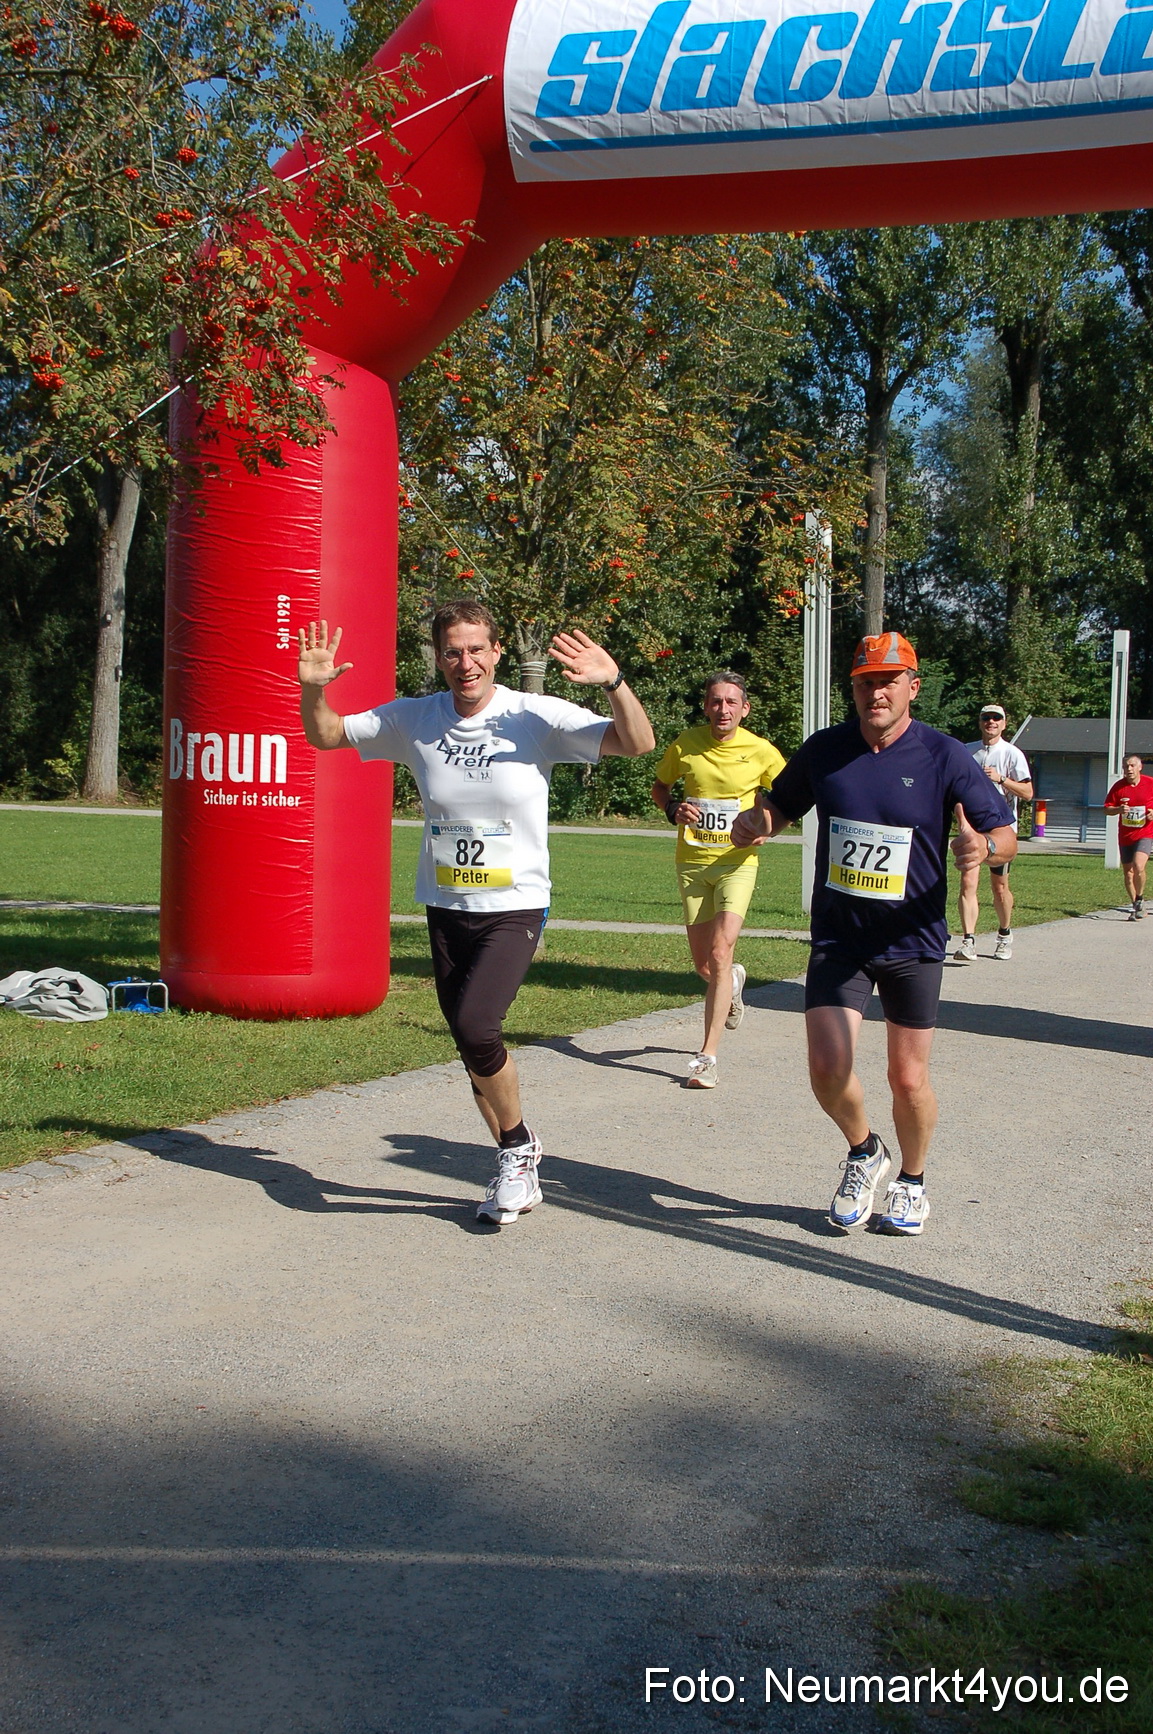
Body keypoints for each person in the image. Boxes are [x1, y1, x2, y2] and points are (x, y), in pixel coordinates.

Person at [297, 600, 655, 1225]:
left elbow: (638, 742)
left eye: (477, 650)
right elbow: (325, 734)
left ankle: (517, 1147)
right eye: (453, 651)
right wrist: (312, 691)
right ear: (439, 657)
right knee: (469, 1043)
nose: (466, 663)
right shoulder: (415, 718)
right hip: (445, 903)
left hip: (515, 905)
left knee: (477, 1023)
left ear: (496, 652)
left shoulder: (533, 715)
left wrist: (615, 682)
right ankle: (515, 1164)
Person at [732, 632, 1016, 1237]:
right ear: (853, 689)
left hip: (912, 940)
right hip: (840, 938)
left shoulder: (943, 756)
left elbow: (1005, 834)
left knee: (907, 1078)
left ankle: (912, 1181)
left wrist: (983, 847)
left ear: (912, 687)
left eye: (889, 680)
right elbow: (780, 808)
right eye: (865, 682)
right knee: (827, 1069)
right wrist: (756, 822)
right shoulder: (825, 750)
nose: (875, 692)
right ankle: (865, 1152)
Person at [650, 672, 785, 1087]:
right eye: (715, 702)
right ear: (706, 706)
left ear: (744, 709)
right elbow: (660, 787)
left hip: (737, 862)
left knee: (722, 951)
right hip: (692, 862)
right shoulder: (685, 744)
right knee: (705, 965)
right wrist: (673, 808)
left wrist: (769, 825)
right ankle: (734, 982)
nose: (722, 710)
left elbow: (787, 797)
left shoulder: (761, 751)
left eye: (731, 702)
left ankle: (707, 1058)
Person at [953, 703, 1033, 962]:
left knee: (999, 887)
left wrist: (1001, 779)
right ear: (980, 722)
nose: (991, 722)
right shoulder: (967, 752)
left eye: (996, 718)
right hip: (973, 827)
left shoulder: (1012, 754)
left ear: (1004, 723)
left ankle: (1004, 934)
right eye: (986, 718)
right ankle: (968, 941)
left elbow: (1028, 793)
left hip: (1001, 830)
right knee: (968, 883)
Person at [1103, 752, 1153, 920]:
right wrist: (1118, 810)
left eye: (1132, 766)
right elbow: (1106, 809)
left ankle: (1139, 899)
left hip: (1145, 833)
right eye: (1126, 766)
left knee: (1139, 866)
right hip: (1125, 836)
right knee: (1128, 873)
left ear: (1140, 767)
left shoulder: (1150, 783)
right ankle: (1136, 903)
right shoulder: (1119, 787)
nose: (1129, 769)